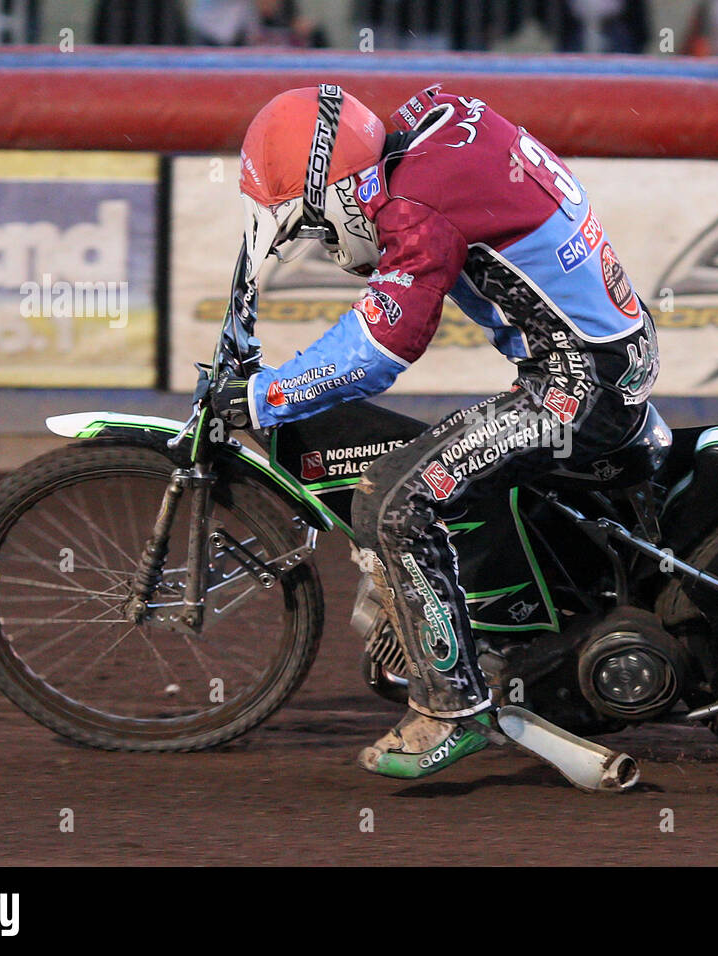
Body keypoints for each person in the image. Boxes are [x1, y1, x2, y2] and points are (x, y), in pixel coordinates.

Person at [210, 84, 660, 779]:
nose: (328, 243)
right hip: (606, 355)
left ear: (340, 194)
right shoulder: (436, 120)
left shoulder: (419, 208)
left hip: (579, 385)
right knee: (449, 469)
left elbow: (380, 348)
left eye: (320, 226)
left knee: (392, 498)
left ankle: (450, 710)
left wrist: (266, 395)